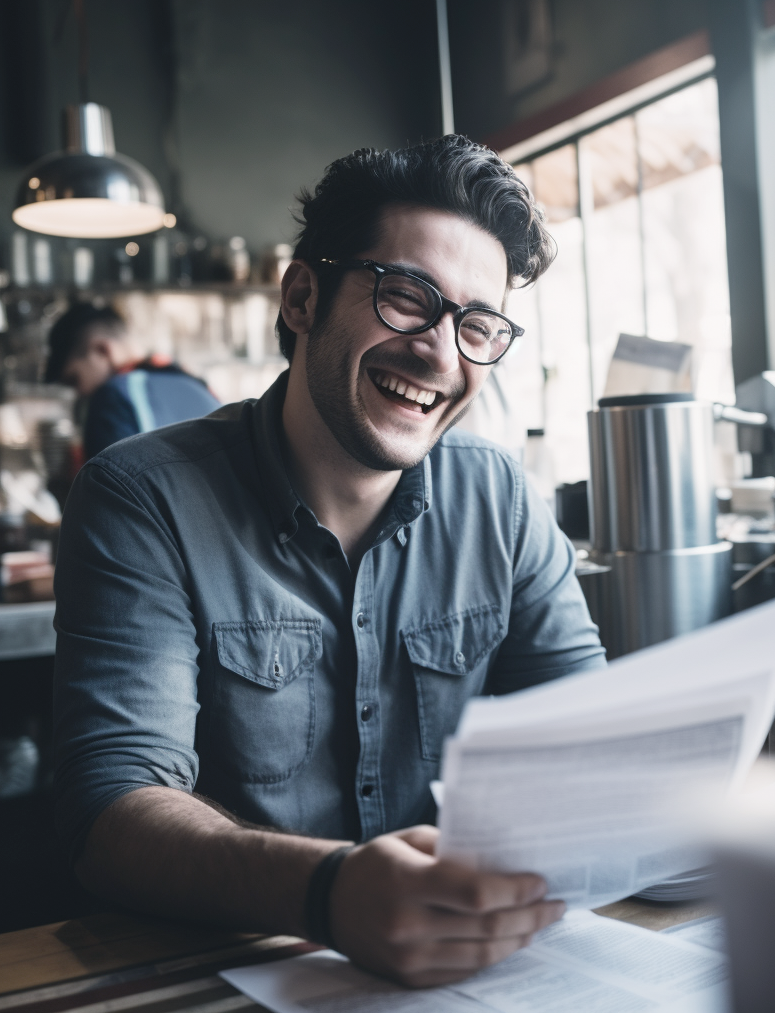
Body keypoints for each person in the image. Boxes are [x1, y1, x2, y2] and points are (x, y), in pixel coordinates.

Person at [53, 136, 606, 987]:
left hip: (470, 970)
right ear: (304, 297)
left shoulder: (499, 498)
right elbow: (110, 809)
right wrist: (329, 893)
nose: (440, 352)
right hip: (222, 973)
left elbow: (591, 742)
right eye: (407, 298)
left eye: (476, 325)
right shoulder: (142, 497)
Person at [44, 302, 219, 457]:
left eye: (74, 379)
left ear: (103, 350)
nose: (79, 392)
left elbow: (109, 490)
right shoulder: (197, 384)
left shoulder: (112, 397)